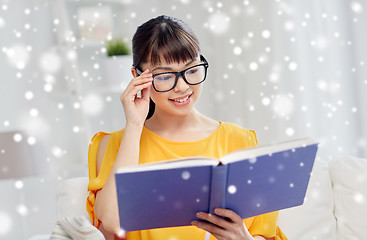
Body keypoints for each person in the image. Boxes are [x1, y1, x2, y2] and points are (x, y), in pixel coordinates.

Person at [87, 15, 288, 240]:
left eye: (191, 70)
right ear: (137, 77)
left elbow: (263, 232)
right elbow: (113, 222)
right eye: (164, 76)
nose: (182, 87)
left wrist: (242, 238)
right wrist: (134, 125)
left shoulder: (240, 140)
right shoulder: (114, 144)